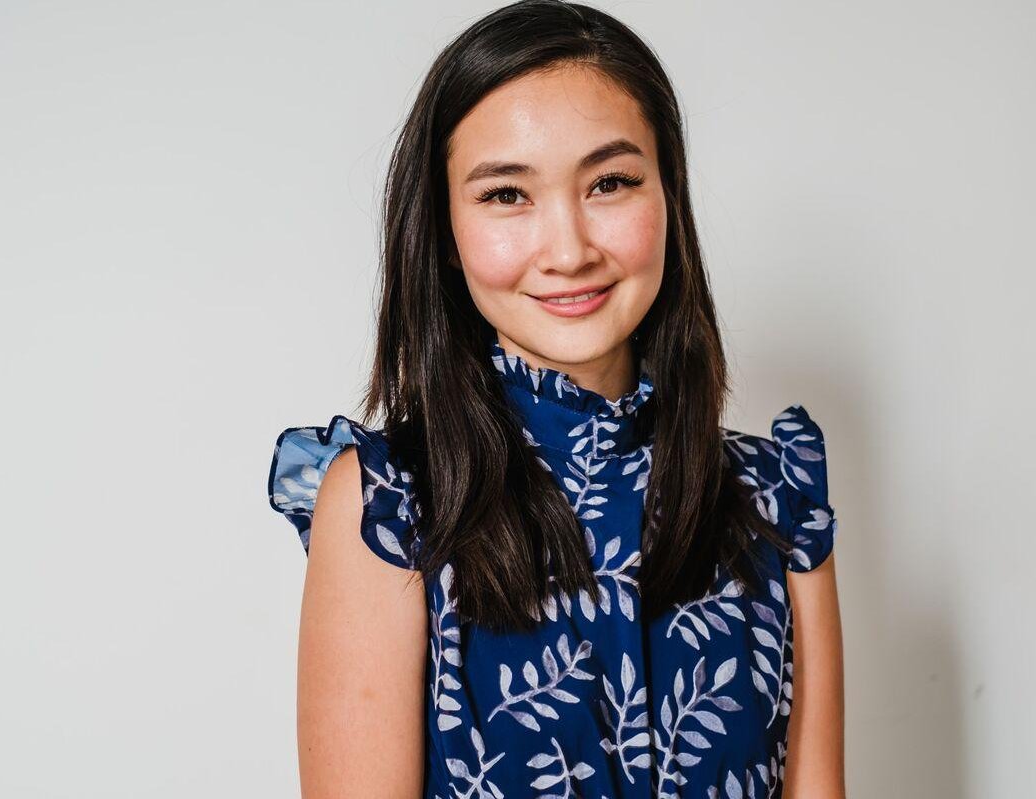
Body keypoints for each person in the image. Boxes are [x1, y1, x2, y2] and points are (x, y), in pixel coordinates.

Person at [266, 1, 845, 796]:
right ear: (443, 231)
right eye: (507, 195)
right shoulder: (389, 504)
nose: (569, 250)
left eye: (609, 182)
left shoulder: (775, 502)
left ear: (668, 196)